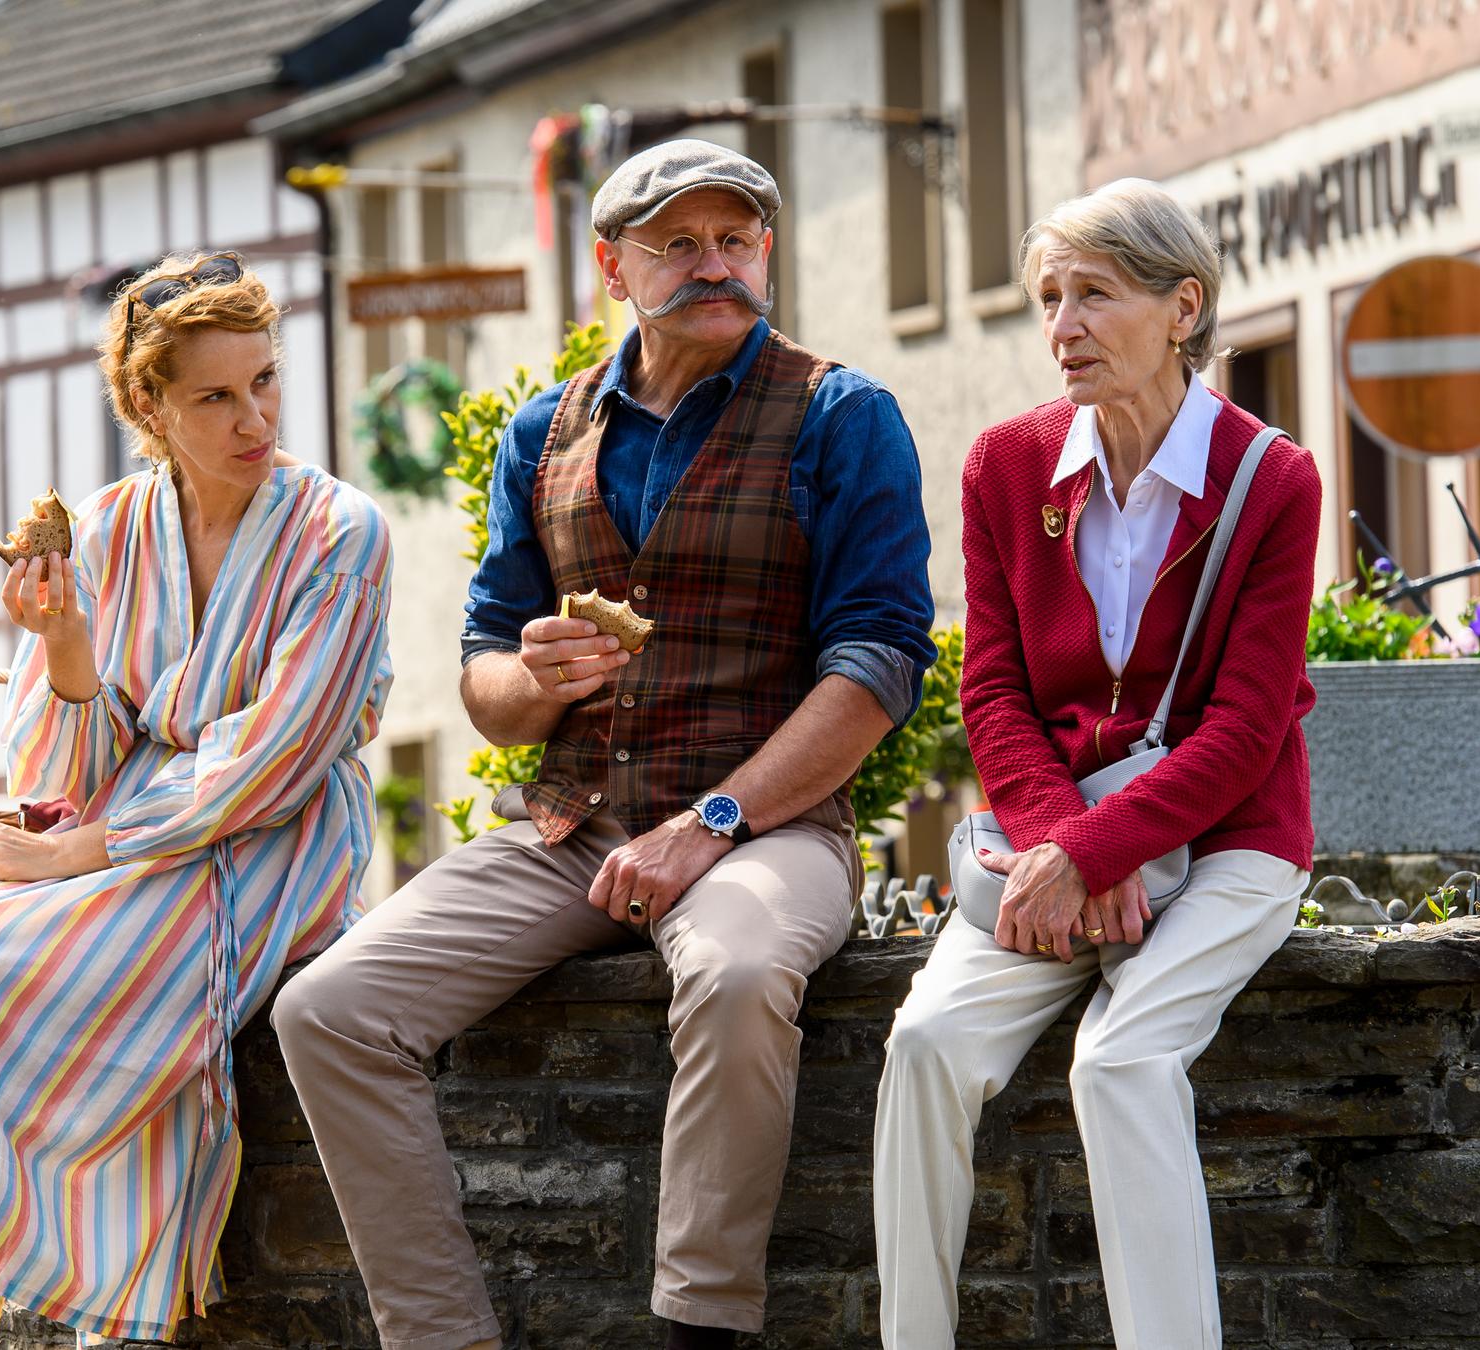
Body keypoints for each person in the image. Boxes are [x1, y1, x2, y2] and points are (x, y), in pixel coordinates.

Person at [272, 140, 936, 1350]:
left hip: (766, 831)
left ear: (767, 252)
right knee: (330, 1008)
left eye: (735, 240)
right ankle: (440, 1335)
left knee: (735, 977)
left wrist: (713, 824)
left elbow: (880, 665)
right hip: (571, 827)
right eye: (678, 244)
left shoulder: (843, 415)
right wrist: (531, 682)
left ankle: (702, 1325)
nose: (713, 265)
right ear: (612, 268)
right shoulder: (545, 431)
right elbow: (482, 672)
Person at [0, 252, 393, 1350]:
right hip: (117, 827)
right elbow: (63, 772)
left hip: (274, 842)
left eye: (265, 381)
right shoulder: (113, 527)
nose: (254, 418)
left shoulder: (338, 535)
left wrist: (69, 857)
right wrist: (68, 646)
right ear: (149, 404)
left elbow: (273, 764)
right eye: (215, 396)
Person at [873, 180, 1321, 1348]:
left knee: (1121, 1061)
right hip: (1051, 837)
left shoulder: (1272, 478)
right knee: (923, 1047)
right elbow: (994, 691)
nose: (1063, 326)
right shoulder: (1005, 467)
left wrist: (1092, 846)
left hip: (1231, 843)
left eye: (1094, 296)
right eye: (1049, 298)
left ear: (1184, 307)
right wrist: (1066, 842)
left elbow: (1248, 723)